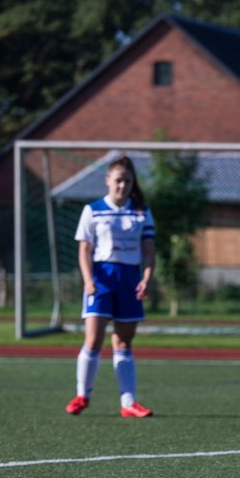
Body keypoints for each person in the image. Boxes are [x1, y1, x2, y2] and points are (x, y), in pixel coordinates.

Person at [65, 155, 156, 418]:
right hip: (101, 280)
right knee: (93, 341)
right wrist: (88, 280)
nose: (122, 186)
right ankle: (82, 396)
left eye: (127, 181)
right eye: (117, 180)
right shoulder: (92, 210)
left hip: (129, 280)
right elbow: (84, 249)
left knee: (124, 343)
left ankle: (128, 403)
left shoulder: (141, 211)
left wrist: (147, 278)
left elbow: (149, 251)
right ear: (107, 181)